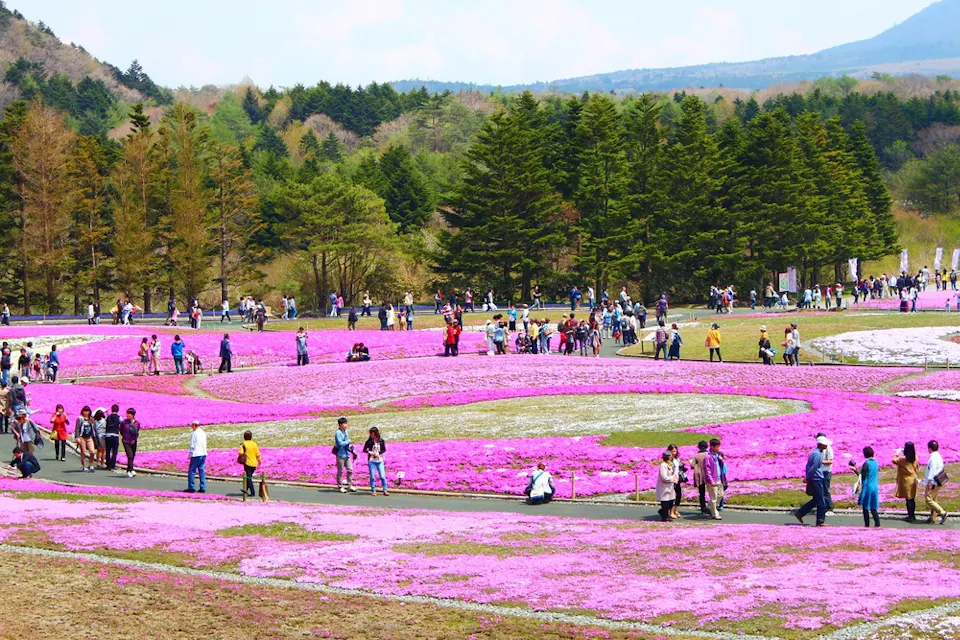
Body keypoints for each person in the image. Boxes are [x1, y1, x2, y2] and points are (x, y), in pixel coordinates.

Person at [795, 435, 830, 527]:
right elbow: (813, 468)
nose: (826, 446)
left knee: (816, 500)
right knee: (821, 501)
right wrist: (808, 478)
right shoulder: (818, 454)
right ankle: (820, 521)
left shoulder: (813, 452)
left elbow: (808, 466)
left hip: (815, 478)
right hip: (817, 478)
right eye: (825, 445)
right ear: (821, 445)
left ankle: (800, 513)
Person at [853, 447, 881, 528]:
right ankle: (877, 524)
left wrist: (855, 470)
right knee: (873, 507)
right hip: (874, 486)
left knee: (865, 507)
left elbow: (862, 476)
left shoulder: (866, 463)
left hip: (867, 487)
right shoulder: (876, 462)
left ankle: (867, 525)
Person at [893, 442, 920, 523]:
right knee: (912, 498)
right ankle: (912, 515)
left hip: (907, 480)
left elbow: (894, 460)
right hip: (914, 478)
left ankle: (910, 516)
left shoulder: (903, 459)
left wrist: (897, 453)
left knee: (908, 498)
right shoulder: (915, 457)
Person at [924, 440, 948, 525]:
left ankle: (942, 513)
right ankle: (932, 518)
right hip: (938, 481)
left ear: (929, 448)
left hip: (933, 482)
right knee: (934, 499)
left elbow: (933, 469)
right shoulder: (938, 455)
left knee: (928, 499)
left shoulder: (933, 457)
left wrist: (930, 481)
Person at [333, 417, 357, 493]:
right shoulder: (338, 433)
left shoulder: (346, 431)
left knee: (350, 470)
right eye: (344, 423)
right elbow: (340, 443)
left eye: (346, 423)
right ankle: (340, 486)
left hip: (347, 454)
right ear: (340, 424)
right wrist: (348, 441)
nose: (346, 425)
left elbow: (347, 442)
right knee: (340, 471)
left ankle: (350, 485)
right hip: (340, 455)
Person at [363, 426, 388, 496]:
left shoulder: (381, 441)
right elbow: (364, 449)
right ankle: (373, 490)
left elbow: (384, 449)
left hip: (379, 460)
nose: (372, 435)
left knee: (382, 476)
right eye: (371, 434)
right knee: (372, 476)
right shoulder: (369, 441)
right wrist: (370, 452)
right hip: (372, 461)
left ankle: (385, 489)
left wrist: (378, 453)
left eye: (373, 434)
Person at [703, 438, 723, 520]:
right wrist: (711, 481)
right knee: (714, 498)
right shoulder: (708, 457)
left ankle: (709, 507)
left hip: (718, 479)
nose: (718, 448)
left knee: (720, 495)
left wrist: (721, 460)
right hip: (712, 480)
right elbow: (707, 470)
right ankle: (715, 514)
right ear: (712, 446)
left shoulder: (717, 455)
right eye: (717, 446)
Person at [238, 431, 261, 498]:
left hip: (247, 463)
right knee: (249, 477)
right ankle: (245, 490)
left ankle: (252, 492)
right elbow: (258, 453)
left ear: (244, 437)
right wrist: (259, 460)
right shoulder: (254, 444)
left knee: (248, 478)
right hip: (254, 463)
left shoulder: (243, 444)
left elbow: (240, 453)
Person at [656, 450, 678, 522]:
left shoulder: (670, 464)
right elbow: (664, 477)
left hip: (670, 486)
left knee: (671, 501)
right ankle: (665, 517)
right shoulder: (663, 465)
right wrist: (672, 478)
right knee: (665, 501)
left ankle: (663, 512)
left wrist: (674, 477)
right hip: (664, 486)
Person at [689, 441, 710, 515]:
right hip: (708, 475)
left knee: (702, 493)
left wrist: (690, 462)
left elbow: (692, 465)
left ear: (699, 447)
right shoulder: (709, 454)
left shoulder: (697, 456)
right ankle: (712, 507)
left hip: (700, 476)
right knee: (711, 491)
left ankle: (703, 508)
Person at [186, 420, 207, 493]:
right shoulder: (203, 433)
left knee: (192, 471)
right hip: (203, 454)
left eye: (192, 426)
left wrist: (190, 454)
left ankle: (191, 487)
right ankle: (203, 487)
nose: (192, 427)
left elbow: (192, 445)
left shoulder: (194, 434)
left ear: (195, 425)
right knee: (201, 471)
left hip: (196, 454)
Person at [817, 432, 835, 516]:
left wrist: (820, 462)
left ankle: (830, 507)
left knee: (826, 490)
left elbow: (830, 461)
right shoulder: (818, 448)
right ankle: (823, 506)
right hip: (820, 471)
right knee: (820, 490)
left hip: (826, 472)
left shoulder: (828, 448)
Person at [74, 405, 96, 472]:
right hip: (82, 437)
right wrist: (77, 437)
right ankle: (84, 466)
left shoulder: (91, 419)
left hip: (89, 437)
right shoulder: (80, 419)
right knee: (83, 452)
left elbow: (94, 428)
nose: (86, 412)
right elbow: (77, 428)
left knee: (92, 452)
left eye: (87, 411)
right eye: (85, 411)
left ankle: (91, 465)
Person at [120, 408, 140, 478]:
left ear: (133, 415)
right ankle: (131, 470)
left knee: (132, 456)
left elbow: (137, 431)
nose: (127, 415)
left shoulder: (137, 423)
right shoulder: (124, 422)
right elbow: (121, 430)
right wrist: (125, 436)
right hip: (126, 441)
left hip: (133, 441)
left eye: (129, 414)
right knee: (130, 455)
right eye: (127, 413)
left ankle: (128, 471)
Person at [104, 404, 122, 472]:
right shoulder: (119, 417)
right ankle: (112, 465)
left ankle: (108, 465)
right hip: (115, 435)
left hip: (108, 435)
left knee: (108, 451)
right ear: (118, 410)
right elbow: (122, 424)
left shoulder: (107, 417)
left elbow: (105, 424)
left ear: (111, 409)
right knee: (114, 451)